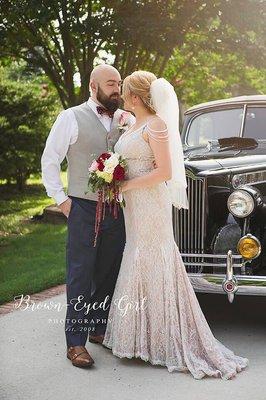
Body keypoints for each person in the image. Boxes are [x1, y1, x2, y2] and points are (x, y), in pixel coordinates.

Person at [102, 70, 249, 380]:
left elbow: (165, 171)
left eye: (126, 92)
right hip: (134, 207)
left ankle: (164, 340)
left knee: (154, 257)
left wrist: (125, 186)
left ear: (136, 97)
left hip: (150, 203)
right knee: (137, 256)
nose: (123, 97)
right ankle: (141, 339)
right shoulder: (132, 124)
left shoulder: (156, 125)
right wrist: (111, 174)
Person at [41, 64, 135, 368]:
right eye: (111, 84)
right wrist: (62, 200)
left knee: (109, 269)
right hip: (81, 207)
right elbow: (50, 160)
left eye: (119, 84)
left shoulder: (123, 119)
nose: (117, 89)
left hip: (114, 208)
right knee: (80, 273)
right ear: (93, 86)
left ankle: (96, 326)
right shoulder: (71, 117)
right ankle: (75, 343)